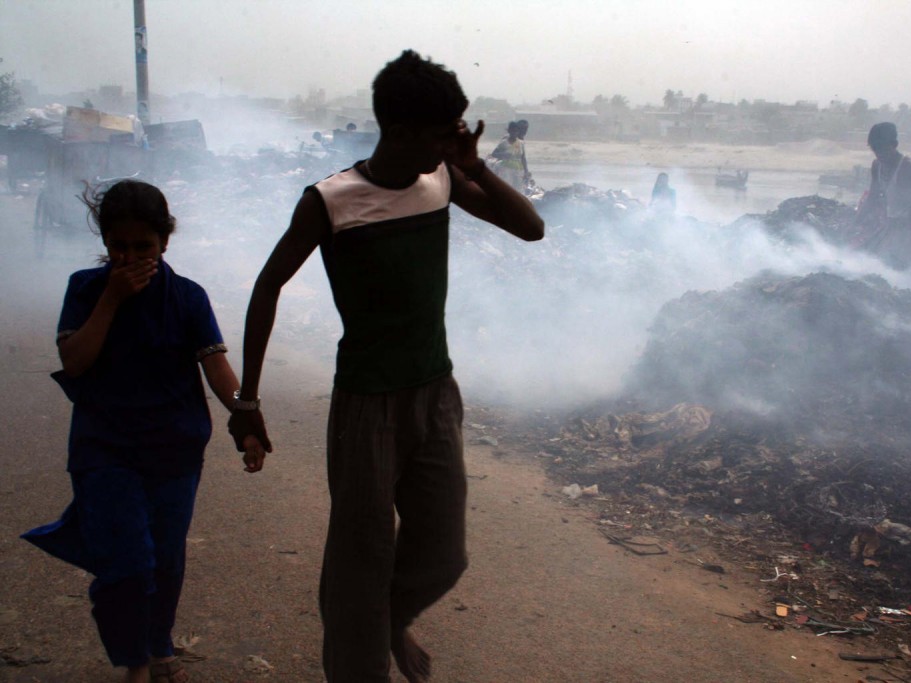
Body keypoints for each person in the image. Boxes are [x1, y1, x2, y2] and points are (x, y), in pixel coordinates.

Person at [227, 50, 544, 683]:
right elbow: (267, 287)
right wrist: (247, 400)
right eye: (443, 132)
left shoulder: (443, 181)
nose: (454, 141)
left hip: (435, 390)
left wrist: (473, 163)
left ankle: (392, 620)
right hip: (367, 405)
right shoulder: (332, 201)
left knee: (443, 554)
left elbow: (530, 227)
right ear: (398, 131)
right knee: (359, 562)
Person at [21, 180, 265, 683]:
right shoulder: (86, 289)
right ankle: (134, 661)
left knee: (166, 559)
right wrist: (110, 299)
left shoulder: (187, 297)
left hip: (174, 447)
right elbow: (75, 360)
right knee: (126, 559)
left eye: (142, 247)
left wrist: (245, 419)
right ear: (106, 243)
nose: (129, 257)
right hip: (104, 446)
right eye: (118, 247)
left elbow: (214, 363)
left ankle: (157, 644)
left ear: (165, 242)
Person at [851, 122, 911, 265]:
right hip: (890, 224)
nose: (880, 155)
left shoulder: (909, 167)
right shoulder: (877, 165)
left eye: (883, 150)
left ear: (894, 144)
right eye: (875, 150)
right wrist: (855, 223)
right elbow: (872, 198)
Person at [488, 119, 531, 193]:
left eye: (526, 129)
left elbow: (523, 157)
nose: (525, 131)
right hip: (504, 168)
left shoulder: (520, 141)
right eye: (523, 129)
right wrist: (504, 156)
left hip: (516, 169)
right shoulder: (506, 139)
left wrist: (526, 171)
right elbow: (495, 154)